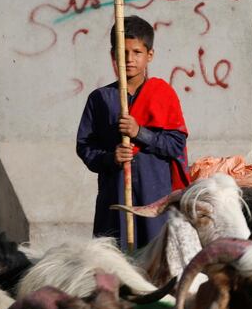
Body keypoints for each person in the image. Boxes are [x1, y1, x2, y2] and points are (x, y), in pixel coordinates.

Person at [76, 15, 190, 250]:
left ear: (150, 55)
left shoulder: (163, 94)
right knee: (115, 263)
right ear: (112, 55)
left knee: (155, 263)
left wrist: (140, 132)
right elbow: (85, 146)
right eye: (123, 52)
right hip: (114, 198)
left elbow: (176, 144)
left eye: (137, 52)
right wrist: (110, 157)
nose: (129, 59)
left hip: (155, 197)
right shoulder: (100, 99)